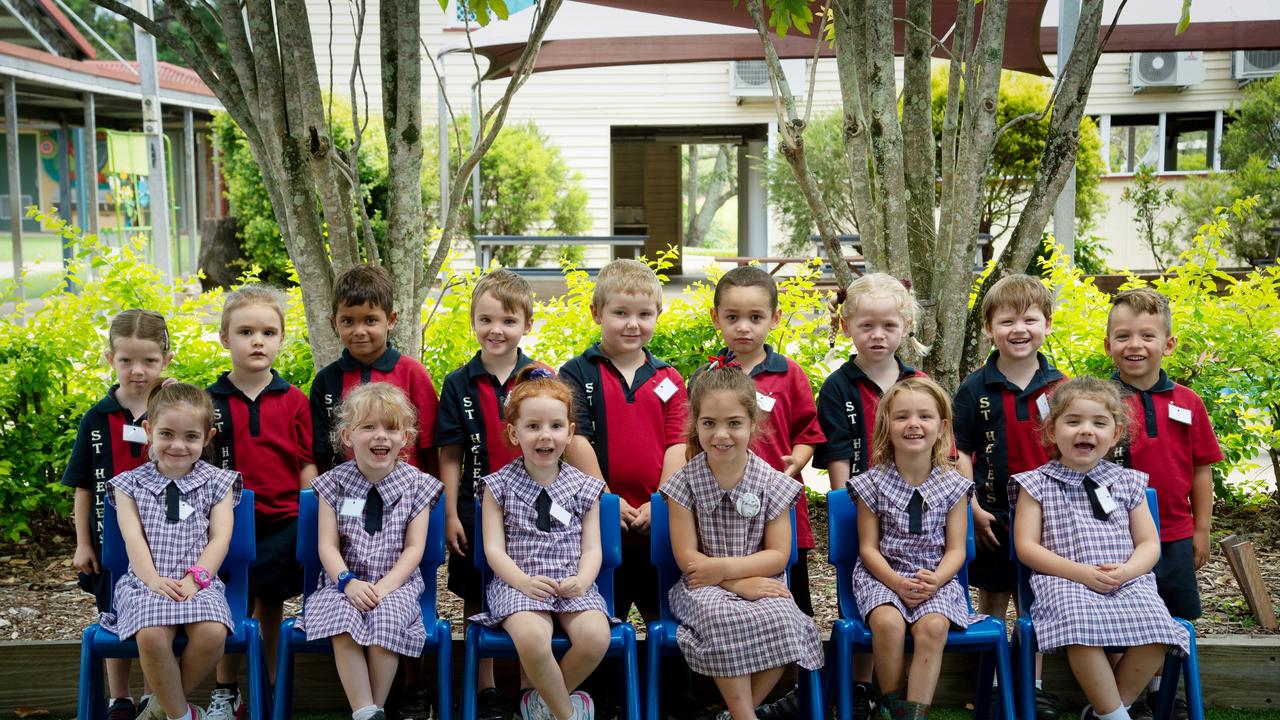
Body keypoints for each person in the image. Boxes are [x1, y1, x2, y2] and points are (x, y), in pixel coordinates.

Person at [1011, 377, 1190, 720]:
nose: (1086, 431)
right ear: (1051, 430)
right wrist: (1081, 574)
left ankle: (1108, 711)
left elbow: (1149, 544)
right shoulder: (1035, 484)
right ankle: (1115, 717)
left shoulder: (1127, 482)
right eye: (1073, 421)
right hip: (1064, 580)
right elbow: (1026, 547)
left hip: (1125, 579)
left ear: (1117, 433)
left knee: (1161, 629)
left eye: (1099, 422)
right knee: (1080, 627)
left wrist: (1127, 571)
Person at [560, 259, 689, 718]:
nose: (633, 324)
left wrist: (661, 499)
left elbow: (678, 441)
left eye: (644, 314)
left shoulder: (669, 379)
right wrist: (608, 501)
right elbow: (575, 438)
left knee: (664, 613)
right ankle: (602, 700)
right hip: (597, 524)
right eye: (620, 313)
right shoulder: (576, 374)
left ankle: (669, 700)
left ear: (657, 315)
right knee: (602, 613)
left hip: (658, 524)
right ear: (597, 312)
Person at [661, 357, 823, 720]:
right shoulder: (684, 483)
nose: (721, 435)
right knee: (720, 616)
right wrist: (735, 582)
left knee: (789, 621)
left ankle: (736, 714)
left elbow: (779, 555)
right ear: (696, 425)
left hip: (761, 581)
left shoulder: (772, 483)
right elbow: (688, 557)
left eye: (734, 423)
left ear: (753, 424)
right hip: (700, 589)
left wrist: (736, 576)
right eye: (709, 423)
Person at [815, 272, 929, 716]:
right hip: (863, 511)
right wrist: (848, 507)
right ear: (847, 327)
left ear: (905, 326)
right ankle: (862, 687)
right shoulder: (838, 387)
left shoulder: (917, 382)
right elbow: (839, 456)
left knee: (910, 593)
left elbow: (940, 450)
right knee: (863, 592)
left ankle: (900, 692)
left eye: (888, 326)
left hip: (915, 513)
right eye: (866, 326)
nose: (877, 336)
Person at [470, 367, 613, 720]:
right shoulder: (497, 487)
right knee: (533, 638)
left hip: (572, 582)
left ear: (570, 432)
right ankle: (565, 714)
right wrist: (522, 581)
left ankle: (536, 705)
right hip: (519, 584)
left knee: (595, 637)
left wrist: (582, 579)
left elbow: (592, 548)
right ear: (513, 433)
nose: (544, 436)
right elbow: (494, 550)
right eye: (533, 427)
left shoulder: (586, 487)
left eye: (555, 426)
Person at [952, 273, 1066, 719]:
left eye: (1030, 319)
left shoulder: (1060, 388)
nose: (1019, 330)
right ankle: (997, 681)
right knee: (995, 596)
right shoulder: (974, 388)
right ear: (988, 329)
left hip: (1047, 514)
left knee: (1036, 600)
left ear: (1047, 324)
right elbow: (960, 450)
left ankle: (1033, 684)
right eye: (1007, 321)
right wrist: (973, 506)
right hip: (992, 513)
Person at [1104, 288, 1222, 719]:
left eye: (1147, 336)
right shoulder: (1101, 402)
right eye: (1123, 336)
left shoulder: (1188, 402)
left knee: (1171, 614)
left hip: (1173, 532)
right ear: (1108, 345)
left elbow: (1202, 469)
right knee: (1120, 616)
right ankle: (1119, 700)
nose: (1135, 345)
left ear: (1167, 344)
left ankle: (1159, 692)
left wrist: (1201, 528)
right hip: (1115, 535)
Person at [437, 269, 546, 720]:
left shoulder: (540, 378)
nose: (496, 330)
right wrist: (449, 513)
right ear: (473, 322)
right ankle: (483, 688)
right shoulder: (458, 382)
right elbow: (449, 455)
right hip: (474, 506)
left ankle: (525, 686)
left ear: (527, 324)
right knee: (476, 593)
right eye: (486, 319)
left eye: (507, 320)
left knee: (528, 594)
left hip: (530, 507)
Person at [205, 285, 317, 720]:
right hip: (228, 524)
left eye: (269, 332)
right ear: (224, 338)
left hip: (284, 521)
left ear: (281, 339)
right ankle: (225, 689)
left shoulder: (294, 399)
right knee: (231, 606)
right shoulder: (210, 401)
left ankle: (266, 688)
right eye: (245, 331)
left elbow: (307, 463)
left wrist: (310, 514)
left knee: (271, 605)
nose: (257, 340)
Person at [99, 383, 242, 720]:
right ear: (148, 431)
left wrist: (198, 578)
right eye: (167, 434)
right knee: (150, 634)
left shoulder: (219, 483)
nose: (178, 446)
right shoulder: (128, 485)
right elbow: (132, 537)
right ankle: (183, 716)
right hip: (145, 583)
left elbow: (220, 538)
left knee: (212, 632)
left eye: (191, 437)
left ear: (208, 437)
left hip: (199, 582)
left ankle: (160, 707)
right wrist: (151, 580)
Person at [302, 383, 443, 720]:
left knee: (387, 619)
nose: (381, 436)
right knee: (342, 620)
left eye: (391, 428)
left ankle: (372, 710)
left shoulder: (418, 485)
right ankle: (367, 712)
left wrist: (384, 588)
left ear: (405, 436)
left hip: (396, 584)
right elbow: (327, 545)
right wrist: (348, 582)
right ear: (348, 436)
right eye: (369, 427)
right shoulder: (332, 483)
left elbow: (414, 549)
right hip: (343, 581)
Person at [63, 309, 173, 720]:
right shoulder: (97, 418)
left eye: (148, 360)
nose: (137, 370)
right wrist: (84, 543)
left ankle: (151, 694)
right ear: (111, 359)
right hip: (111, 544)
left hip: (166, 540)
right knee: (112, 614)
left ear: (166, 360)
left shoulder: (172, 409)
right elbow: (83, 487)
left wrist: (176, 395)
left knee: (154, 619)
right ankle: (119, 698)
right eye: (126, 360)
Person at [849, 377, 977, 718]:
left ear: (942, 426)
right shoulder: (871, 483)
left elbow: (956, 551)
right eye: (902, 416)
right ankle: (891, 705)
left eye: (925, 416)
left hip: (935, 577)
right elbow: (868, 549)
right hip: (882, 576)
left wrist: (936, 580)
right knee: (888, 623)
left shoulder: (954, 486)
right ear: (887, 425)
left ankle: (915, 713)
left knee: (933, 627)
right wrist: (895, 582)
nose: (914, 424)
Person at [310, 263, 438, 474]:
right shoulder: (326, 380)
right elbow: (321, 451)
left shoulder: (413, 373)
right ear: (334, 323)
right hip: (345, 495)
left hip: (409, 496)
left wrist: (436, 499)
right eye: (348, 321)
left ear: (391, 320)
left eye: (370, 320)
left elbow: (430, 445)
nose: (359, 331)